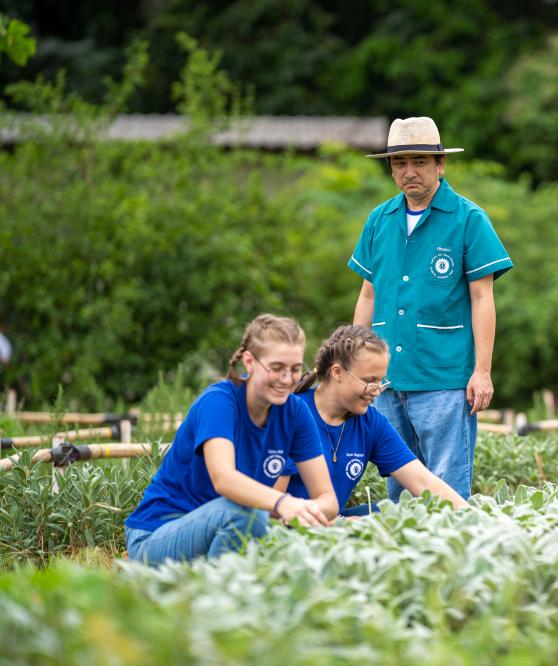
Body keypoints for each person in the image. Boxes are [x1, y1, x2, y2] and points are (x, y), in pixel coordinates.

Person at [349, 116, 513, 502]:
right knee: (399, 489)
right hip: (388, 379)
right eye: (400, 163)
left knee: (447, 490)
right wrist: (356, 364)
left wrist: (482, 371)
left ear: (441, 164)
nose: (410, 172)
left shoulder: (468, 219)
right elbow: (368, 296)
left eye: (420, 161)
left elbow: (482, 298)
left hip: (445, 379)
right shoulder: (379, 220)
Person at [125, 314, 339, 566]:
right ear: (249, 361)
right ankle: (220, 589)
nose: (286, 379)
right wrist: (282, 503)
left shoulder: (295, 412)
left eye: (295, 369)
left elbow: (328, 499)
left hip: (226, 527)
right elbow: (223, 479)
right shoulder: (219, 402)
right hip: (155, 536)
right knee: (247, 515)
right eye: (276, 368)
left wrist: (304, 512)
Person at [278, 325, 466, 515]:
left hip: (331, 520)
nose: (377, 392)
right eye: (370, 381)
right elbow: (274, 507)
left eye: (381, 381)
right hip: (286, 523)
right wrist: (337, 523)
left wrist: (474, 516)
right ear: (337, 372)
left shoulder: (370, 423)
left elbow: (423, 482)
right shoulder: (290, 414)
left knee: (401, 511)